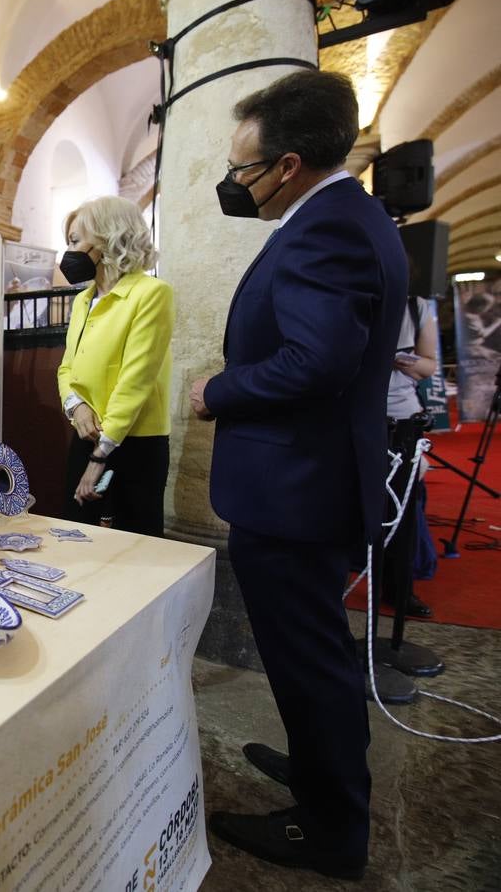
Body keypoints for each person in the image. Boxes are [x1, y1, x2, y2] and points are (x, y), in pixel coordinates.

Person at [189, 70, 407, 881]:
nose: (233, 182)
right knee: (314, 654)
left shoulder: (330, 228)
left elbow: (317, 359)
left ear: (286, 166)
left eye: (243, 166)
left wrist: (220, 388)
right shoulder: (345, 216)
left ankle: (329, 829)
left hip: (298, 492)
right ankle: (322, 771)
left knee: (310, 660)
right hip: (307, 484)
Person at [55, 196, 174, 536]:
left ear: (108, 237)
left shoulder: (151, 294)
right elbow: (67, 368)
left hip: (132, 444)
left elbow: (135, 380)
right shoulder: (82, 300)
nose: (70, 252)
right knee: (77, 533)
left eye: (76, 241)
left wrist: (100, 456)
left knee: (135, 542)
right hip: (85, 434)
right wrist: (75, 406)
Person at [384, 295, 438, 620]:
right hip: (353, 413)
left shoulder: (416, 307)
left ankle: (400, 588)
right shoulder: (352, 295)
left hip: (402, 417)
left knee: (403, 510)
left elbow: (429, 364)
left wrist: (407, 363)